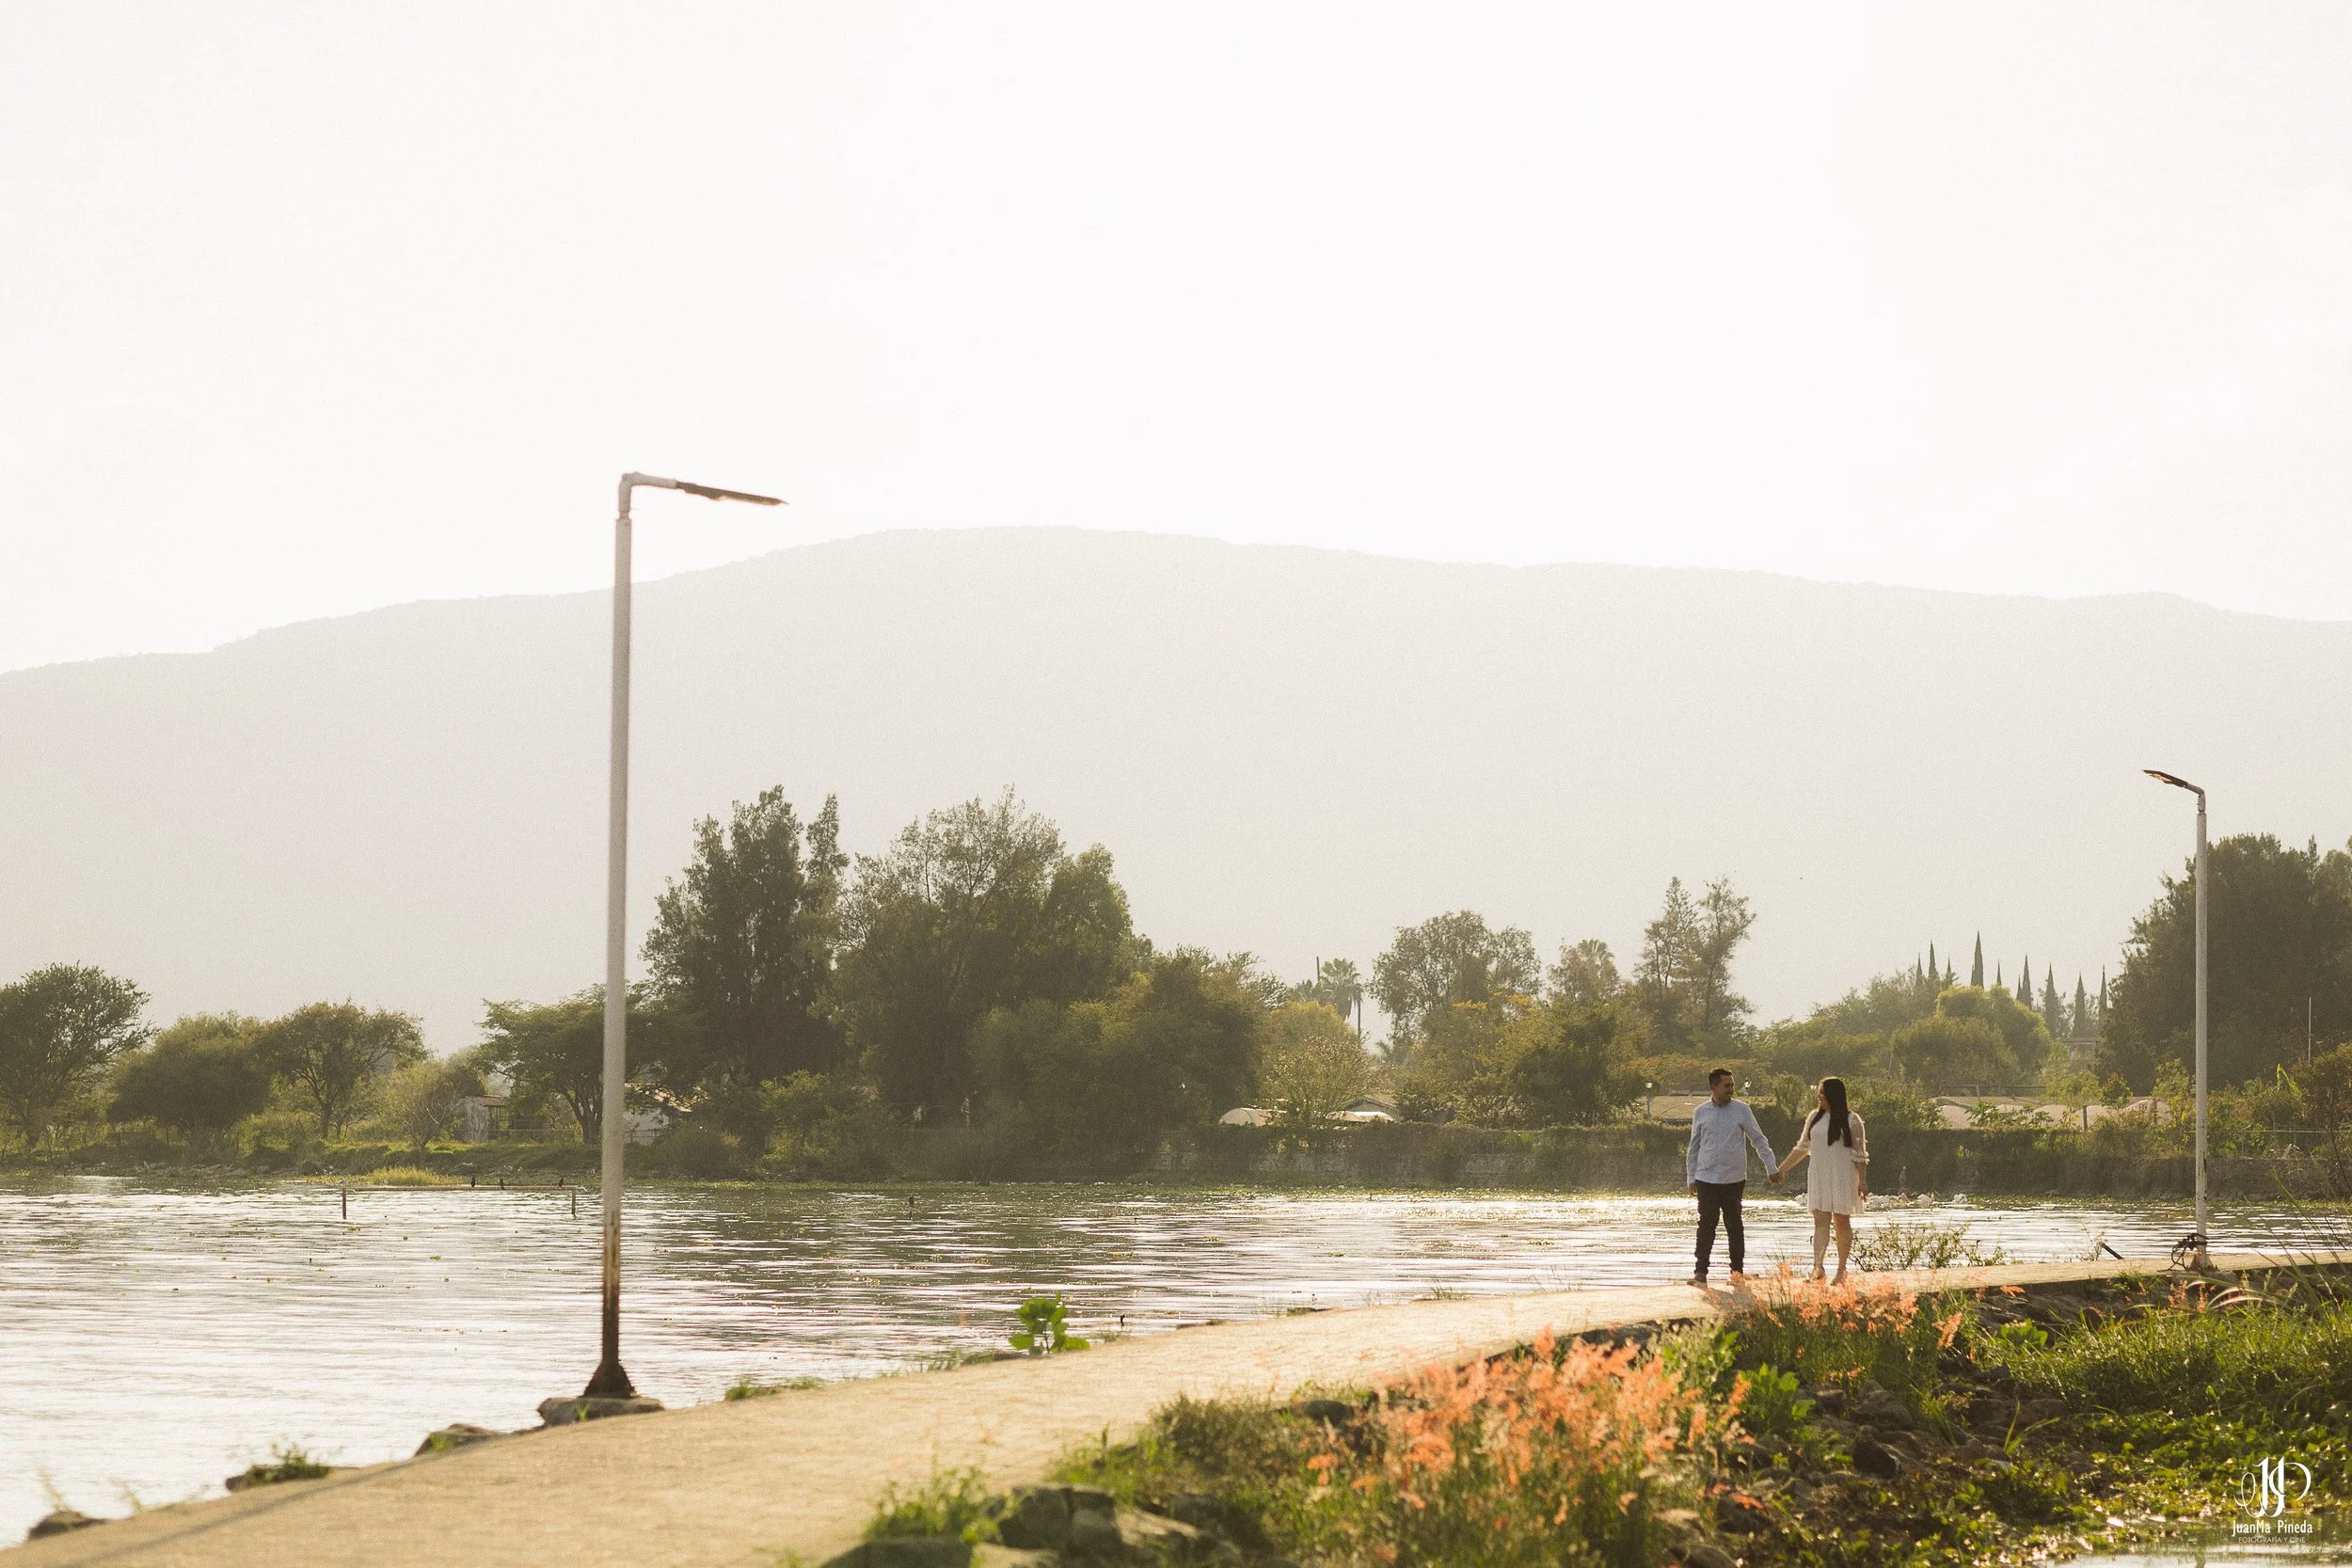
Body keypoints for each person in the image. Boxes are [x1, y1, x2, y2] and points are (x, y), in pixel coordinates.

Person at [1769, 1075, 1868, 1282]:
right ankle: (1818, 1267)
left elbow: (1860, 1154)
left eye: (1822, 1092)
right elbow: (1803, 1147)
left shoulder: (1852, 1120)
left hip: (1843, 1175)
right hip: (1819, 1174)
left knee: (1841, 1221)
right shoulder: (1814, 1117)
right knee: (1820, 1221)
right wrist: (1782, 1169)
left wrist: (1862, 1181)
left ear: (1833, 1095)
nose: (1819, 1096)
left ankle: (1841, 1270)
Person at [1686, 1067, 1775, 1287]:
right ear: (1713, 1087)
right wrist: (1691, 1177)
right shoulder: (1701, 1112)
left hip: (1734, 1178)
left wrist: (1771, 1167)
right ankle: (1700, 1272)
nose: (1731, 1090)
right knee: (1706, 1224)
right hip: (1706, 1177)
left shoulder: (1742, 1110)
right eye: (1727, 1086)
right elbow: (1694, 1147)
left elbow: (1758, 1139)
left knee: (1734, 1225)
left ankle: (1736, 1273)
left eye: (1732, 1085)